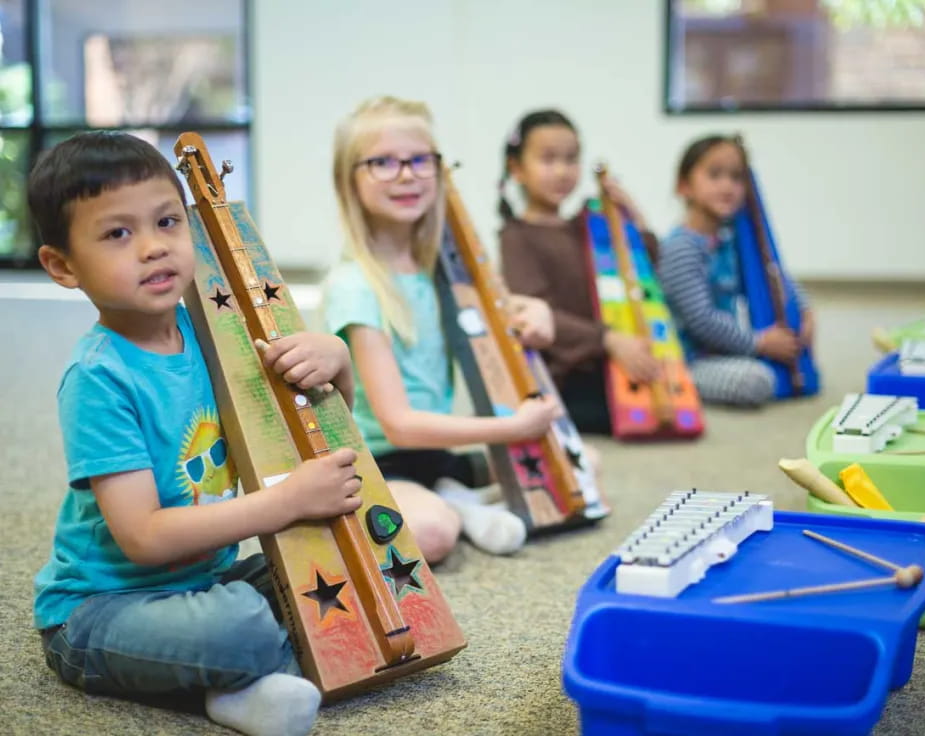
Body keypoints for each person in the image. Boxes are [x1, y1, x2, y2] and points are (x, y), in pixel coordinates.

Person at [29, 131, 361, 736]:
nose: (153, 248)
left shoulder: (216, 333)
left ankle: (252, 675)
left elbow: (320, 437)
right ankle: (228, 693)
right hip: (103, 609)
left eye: (167, 221)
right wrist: (283, 503)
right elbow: (145, 540)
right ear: (62, 266)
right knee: (244, 626)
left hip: (207, 579)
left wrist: (335, 359)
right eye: (118, 233)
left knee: (341, 563)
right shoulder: (99, 377)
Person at [325, 96, 563, 562]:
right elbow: (399, 425)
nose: (407, 174)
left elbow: (502, 310)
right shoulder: (354, 286)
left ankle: (458, 496)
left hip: (439, 457)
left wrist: (536, 311)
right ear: (349, 180)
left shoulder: (439, 273)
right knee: (432, 534)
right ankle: (459, 505)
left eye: (419, 160)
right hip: (383, 465)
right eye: (383, 163)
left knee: (581, 466)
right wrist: (508, 429)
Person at [498, 109, 660, 434]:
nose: (562, 171)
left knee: (660, 390)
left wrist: (629, 211)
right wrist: (608, 339)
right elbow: (537, 313)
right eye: (548, 159)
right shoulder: (516, 237)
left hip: (605, 362)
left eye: (571, 159)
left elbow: (646, 261)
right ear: (517, 169)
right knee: (618, 411)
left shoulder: (587, 225)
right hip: (563, 372)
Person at [658, 134, 814, 406]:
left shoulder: (730, 239)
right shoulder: (682, 247)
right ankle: (671, 383)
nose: (727, 186)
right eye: (715, 175)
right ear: (684, 187)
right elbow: (701, 319)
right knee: (756, 381)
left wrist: (805, 309)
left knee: (780, 371)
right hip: (689, 359)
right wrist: (759, 343)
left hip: (723, 353)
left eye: (736, 177)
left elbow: (773, 275)